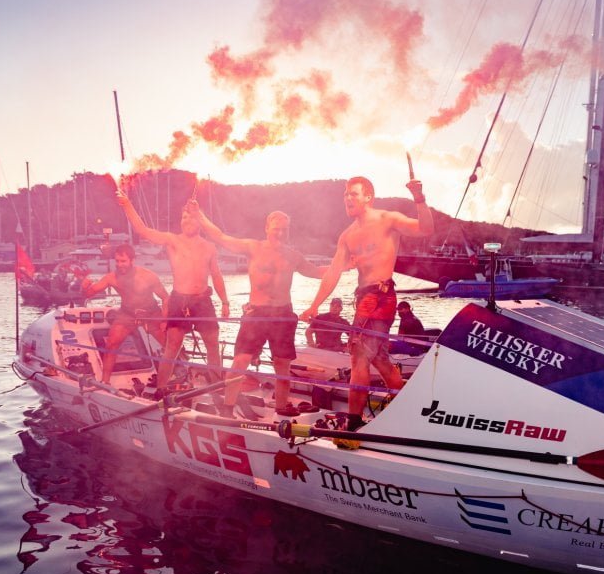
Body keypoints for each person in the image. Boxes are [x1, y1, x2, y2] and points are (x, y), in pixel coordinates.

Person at [300, 175, 434, 431]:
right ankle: (409, 407)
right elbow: (333, 273)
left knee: (358, 356)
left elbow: (425, 229)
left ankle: (353, 423)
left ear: (368, 197)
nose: (348, 198)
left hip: (379, 295)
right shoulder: (347, 236)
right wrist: (315, 305)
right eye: (345, 194)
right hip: (364, 297)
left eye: (353, 194)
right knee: (379, 359)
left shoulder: (387, 219)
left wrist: (419, 198)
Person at [188, 202, 325, 417]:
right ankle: (227, 409)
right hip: (257, 314)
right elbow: (221, 237)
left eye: (284, 229)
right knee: (240, 361)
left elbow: (317, 272)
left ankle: (281, 408)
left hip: (283, 315)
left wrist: (347, 264)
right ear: (267, 227)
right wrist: (200, 215)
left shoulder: (293, 255)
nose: (279, 233)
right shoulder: (253, 247)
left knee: (282, 365)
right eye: (276, 228)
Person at [117, 190, 229, 395]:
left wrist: (225, 302)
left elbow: (217, 275)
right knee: (172, 347)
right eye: (183, 217)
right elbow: (142, 230)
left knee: (212, 346)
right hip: (179, 301)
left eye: (191, 216)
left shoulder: (209, 247)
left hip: (203, 300)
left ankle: (217, 391)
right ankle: (160, 390)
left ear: (199, 220)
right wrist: (126, 204)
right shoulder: (172, 240)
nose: (187, 220)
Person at [81, 244, 169, 384]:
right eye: (117, 261)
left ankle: (182, 374)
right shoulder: (111, 277)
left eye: (123, 261)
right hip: (127, 314)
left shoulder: (147, 275)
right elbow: (90, 293)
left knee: (170, 346)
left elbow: (165, 298)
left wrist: (165, 320)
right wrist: (84, 285)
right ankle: (105, 382)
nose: (119, 264)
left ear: (132, 260)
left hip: (151, 313)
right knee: (111, 345)